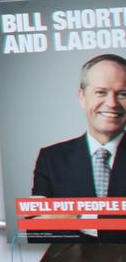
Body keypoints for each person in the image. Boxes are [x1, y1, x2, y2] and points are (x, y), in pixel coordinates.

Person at [31, 54, 126, 240]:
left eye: (123, 93)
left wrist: (79, 217)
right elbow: (39, 228)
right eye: (101, 92)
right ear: (82, 97)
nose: (112, 103)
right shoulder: (51, 158)